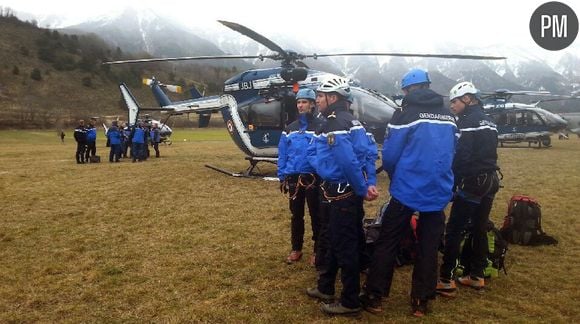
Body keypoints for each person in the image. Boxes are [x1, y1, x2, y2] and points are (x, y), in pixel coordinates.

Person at [360, 69, 457, 317]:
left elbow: (391, 154)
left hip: (407, 190)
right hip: (438, 191)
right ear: (427, 86)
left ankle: (374, 297)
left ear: (408, 90)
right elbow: (453, 151)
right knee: (428, 246)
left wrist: (395, 175)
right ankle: (420, 302)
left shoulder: (404, 114)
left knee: (388, 241)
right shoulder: (449, 115)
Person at [305, 76, 378, 316]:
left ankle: (350, 301)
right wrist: (369, 184)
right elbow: (368, 154)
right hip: (347, 193)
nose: (317, 101)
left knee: (344, 246)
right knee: (339, 240)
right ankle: (325, 286)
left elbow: (347, 160)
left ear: (333, 98)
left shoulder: (334, 123)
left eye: (320, 97)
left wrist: (360, 188)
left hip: (341, 194)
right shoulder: (354, 121)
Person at [437, 82, 500, 296]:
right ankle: (476, 275)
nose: (452, 106)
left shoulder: (466, 122)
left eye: (454, 101)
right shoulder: (489, 120)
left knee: (455, 229)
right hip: (491, 180)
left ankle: (446, 279)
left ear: (467, 99)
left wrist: (452, 184)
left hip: (473, 182)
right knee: (479, 228)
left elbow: (462, 157)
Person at [278, 88, 322, 265]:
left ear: (312, 104)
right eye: (298, 102)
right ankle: (296, 248)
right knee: (296, 215)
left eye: (304, 102)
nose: (301, 105)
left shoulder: (320, 127)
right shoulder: (290, 129)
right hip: (294, 179)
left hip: (313, 178)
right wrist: (282, 177)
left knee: (316, 215)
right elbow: (283, 154)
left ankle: (318, 250)